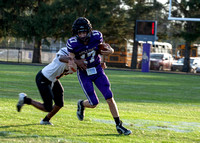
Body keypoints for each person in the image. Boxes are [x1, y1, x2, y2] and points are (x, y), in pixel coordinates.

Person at [66, 17, 132, 135]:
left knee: (109, 96)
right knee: (93, 103)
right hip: (84, 73)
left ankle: (119, 125)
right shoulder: (73, 43)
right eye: (79, 32)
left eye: (84, 32)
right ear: (76, 33)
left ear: (89, 31)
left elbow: (105, 48)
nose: (82, 35)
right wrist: (75, 62)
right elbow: (70, 58)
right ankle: (81, 104)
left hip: (97, 70)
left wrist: (110, 51)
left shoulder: (97, 36)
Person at [16, 47, 78, 125]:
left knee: (59, 103)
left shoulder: (80, 61)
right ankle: (25, 100)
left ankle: (46, 120)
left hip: (53, 79)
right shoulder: (66, 50)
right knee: (47, 107)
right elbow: (61, 58)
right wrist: (71, 60)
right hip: (44, 77)